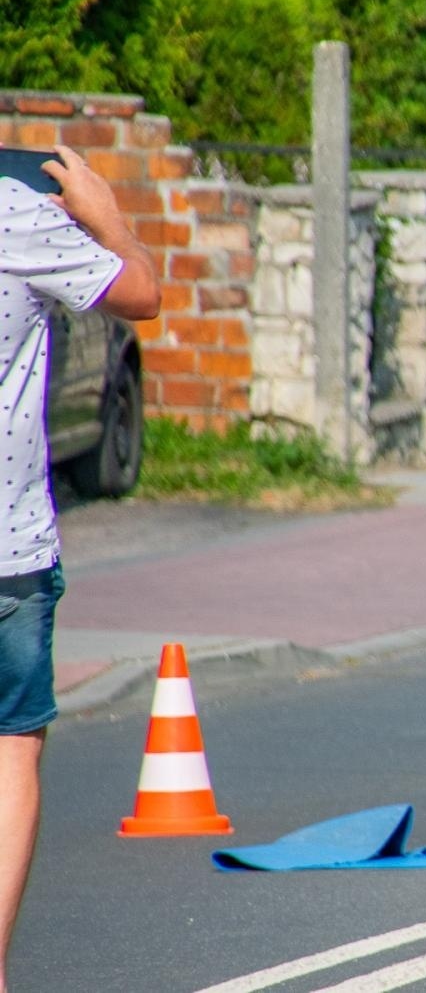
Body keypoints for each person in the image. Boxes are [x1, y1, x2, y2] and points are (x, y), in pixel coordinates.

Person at [0, 144, 160, 992]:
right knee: (10, 754)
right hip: (8, 554)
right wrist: (110, 217)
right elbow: (143, 294)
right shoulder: (18, 216)